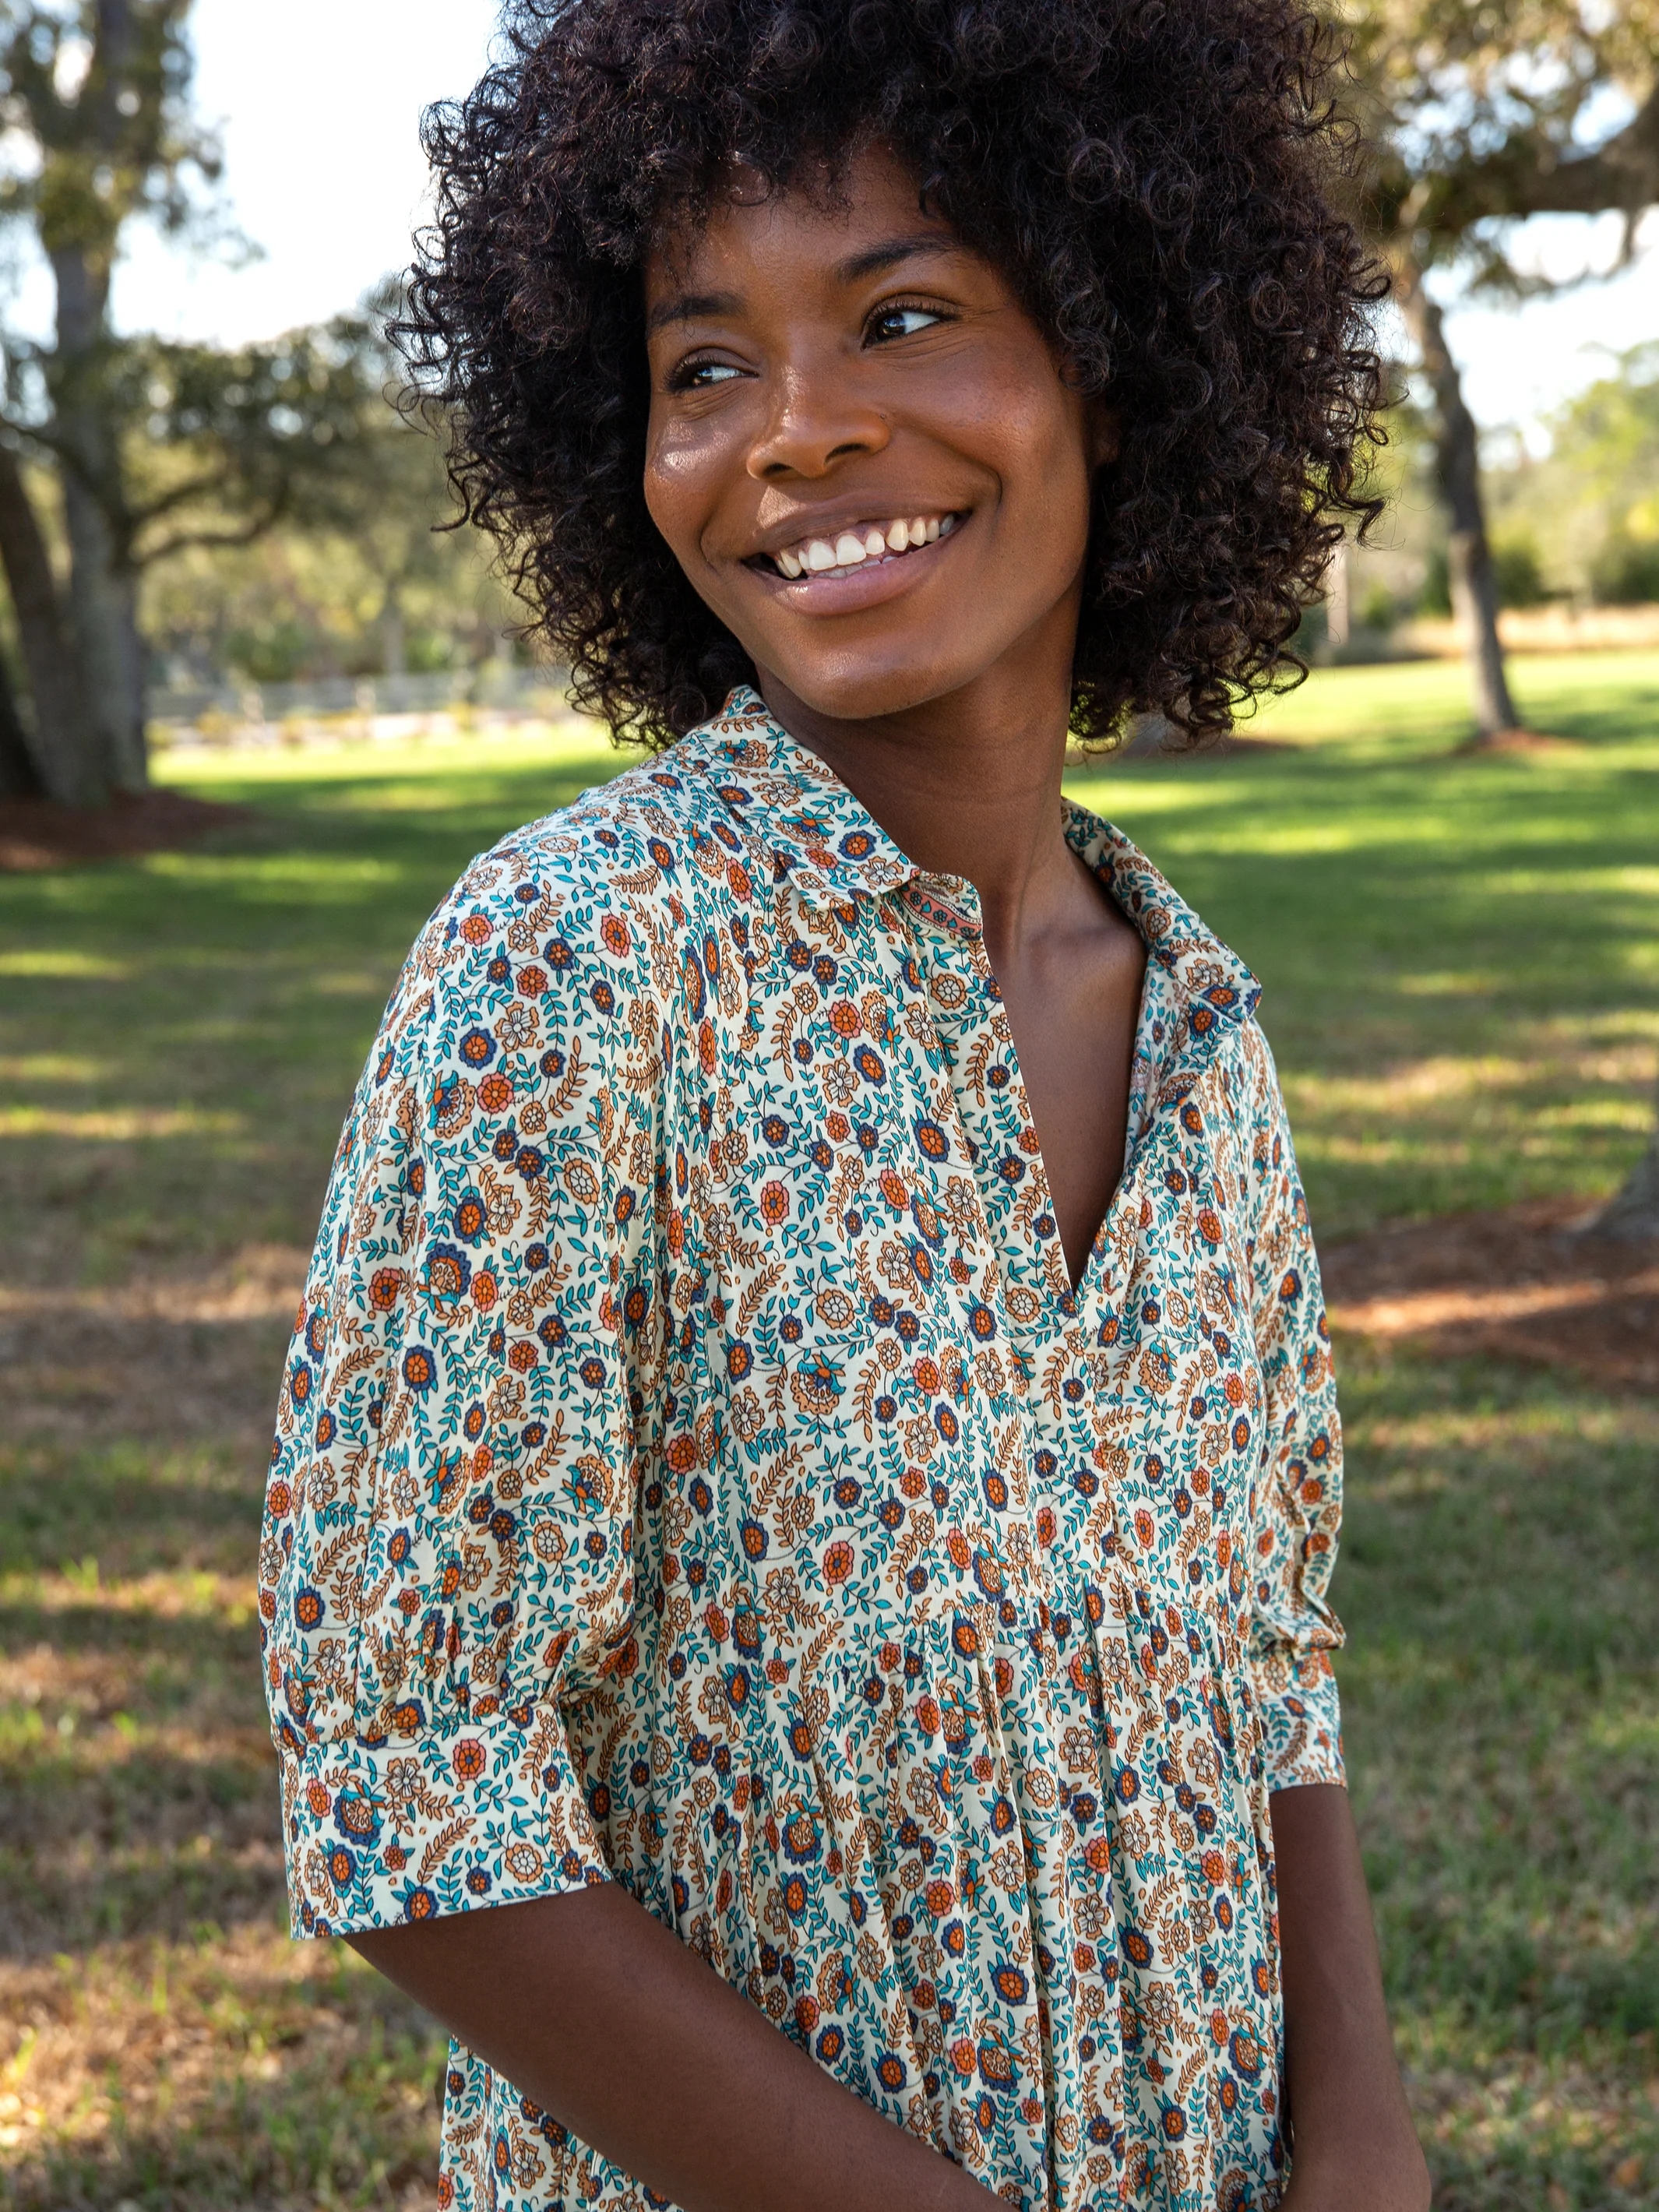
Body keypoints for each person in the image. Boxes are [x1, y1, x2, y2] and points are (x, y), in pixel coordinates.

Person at [256, 4, 1430, 2207]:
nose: (793, 434)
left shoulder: (1203, 1025)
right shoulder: (575, 969)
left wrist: (1361, 2130)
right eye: (705, 366)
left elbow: (1267, 1654)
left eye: (906, 313)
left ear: (1124, 354)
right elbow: (415, 1777)